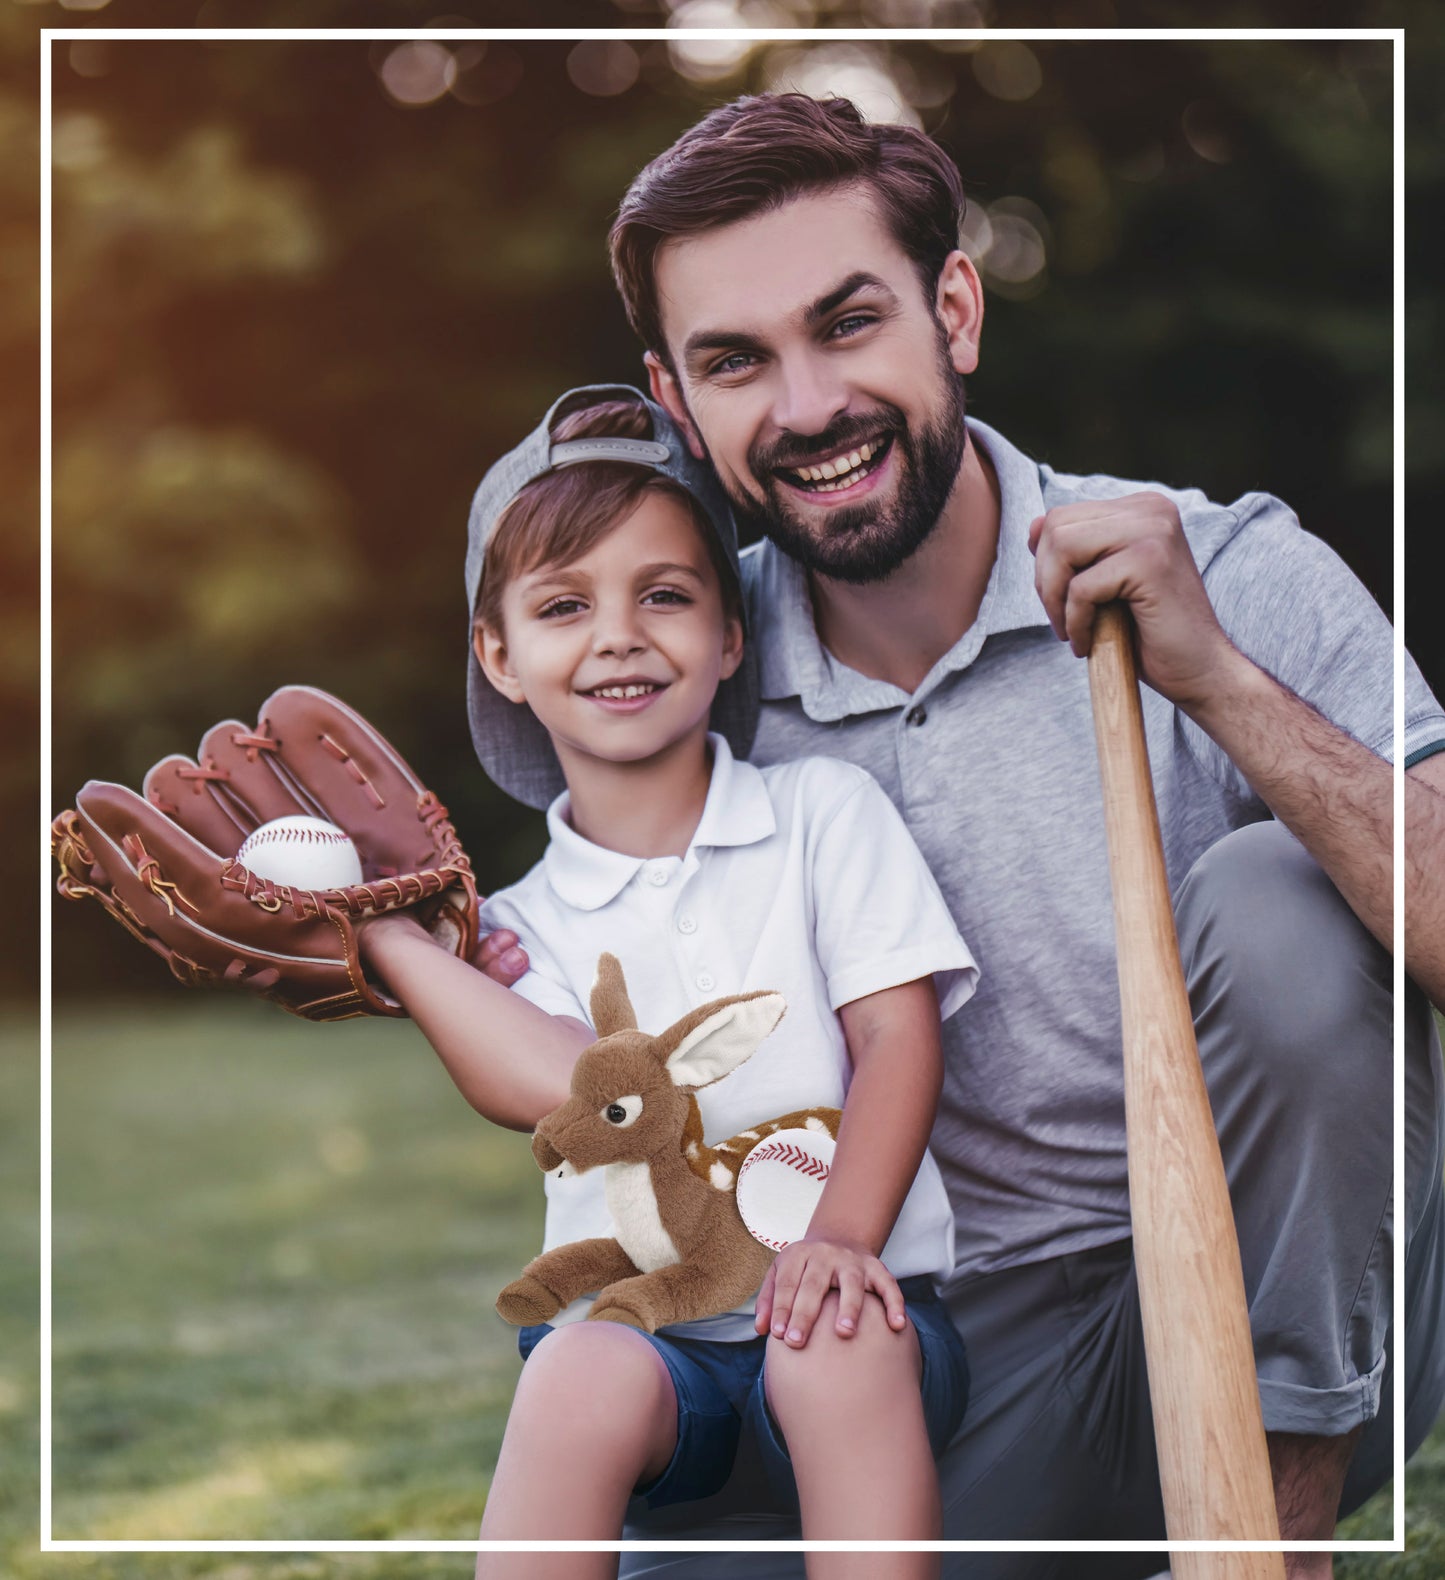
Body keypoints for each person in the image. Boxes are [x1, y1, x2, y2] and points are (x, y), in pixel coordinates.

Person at [476, 93, 1445, 1578]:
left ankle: (1264, 1553)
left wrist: (1219, 681)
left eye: (847, 323)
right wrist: (377, 938)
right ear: (677, 403)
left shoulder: (1225, 567)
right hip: (918, 1351)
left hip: (1277, 1302)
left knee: (1278, 900)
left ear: (954, 308)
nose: (804, 408)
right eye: (738, 362)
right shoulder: (682, 663)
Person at [361, 386, 979, 1580]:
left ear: (729, 632)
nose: (617, 635)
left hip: (866, 1318)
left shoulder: (819, 816)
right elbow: (547, 1086)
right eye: (560, 605)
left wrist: (840, 1239)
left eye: (664, 594)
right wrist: (394, 941)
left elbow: (899, 1042)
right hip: (664, 1370)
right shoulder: (519, 926)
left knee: (832, 1335)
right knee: (577, 1364)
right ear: (498, 653)